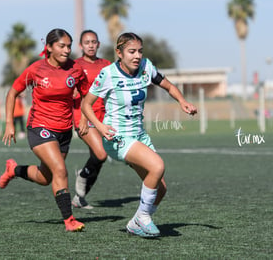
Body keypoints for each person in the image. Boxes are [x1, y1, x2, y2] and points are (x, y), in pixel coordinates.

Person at [81, 32, 197, 237]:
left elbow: (168, 85)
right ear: (119, 53)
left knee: (160, 190)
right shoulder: (108, 74)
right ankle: (144, 216)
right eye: (131, 51)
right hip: (116, 137)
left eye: (140, 51)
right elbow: (86, 104)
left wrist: (182, 101)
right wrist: (99, 127)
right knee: (157, 165)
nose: (137, 56)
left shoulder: (147, 67)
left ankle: (136, 222)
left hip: (139, 135)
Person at [0, 28, 90, 232]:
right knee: (60, 170)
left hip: (64, 131)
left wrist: (83, 118)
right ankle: (69, 221)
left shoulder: (75, 69)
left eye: (68, 46)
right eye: (61, 46)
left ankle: (14, 170)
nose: (67, 50)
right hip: (40, 127)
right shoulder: (36, 69)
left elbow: (86, 95)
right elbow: (12, 92)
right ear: (49, 47)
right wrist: (9, 124)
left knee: (45, 177)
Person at [72, 30, 111, 209]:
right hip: (84, 116)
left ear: (98, 44)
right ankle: (82, 175)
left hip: (103, 116)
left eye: (93, 42)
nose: (90, 45)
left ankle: (79, 198)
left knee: (98, 159)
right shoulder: (75, 65)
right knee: (101, 154)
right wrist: (82, 119)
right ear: (81, 45)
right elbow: (74, 94)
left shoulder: (106, 65)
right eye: (86, 42)